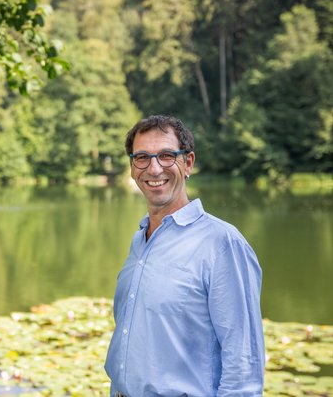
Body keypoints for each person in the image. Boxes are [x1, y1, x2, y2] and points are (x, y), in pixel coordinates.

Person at [105, 115, 265, 396]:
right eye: (142, 158)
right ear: (132, 168)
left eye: (167, 156)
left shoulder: (221, 244)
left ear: (188, 163)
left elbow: (243, 367)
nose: (154, 168)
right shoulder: (140, 240)